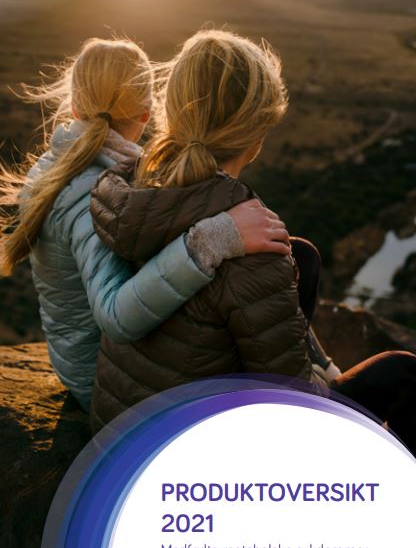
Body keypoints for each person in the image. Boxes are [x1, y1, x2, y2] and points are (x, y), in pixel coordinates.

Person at [89, 30, 416, 457]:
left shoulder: (131, 191)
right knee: (402, 373)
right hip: (190, 455)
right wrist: (327, 389)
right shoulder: (249, 250)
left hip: (122, 425)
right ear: (257, 132)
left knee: (302, 255)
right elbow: (297, 410)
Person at [0, 37, 292, 411]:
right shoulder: (88, 188)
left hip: (90, 360)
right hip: (100, 376)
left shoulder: (59, 164)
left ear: (74, 105)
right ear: (146, 114)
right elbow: (116, 314)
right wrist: (213, 240)